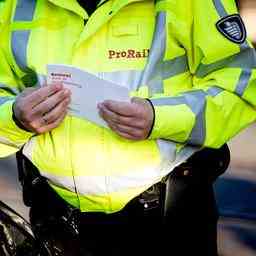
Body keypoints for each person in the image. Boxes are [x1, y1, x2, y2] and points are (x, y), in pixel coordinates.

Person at [0, 0, 255, 255]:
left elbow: (241, 87)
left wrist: (159, 117)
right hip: (56, 223)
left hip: (167, 223)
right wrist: (15, 117)